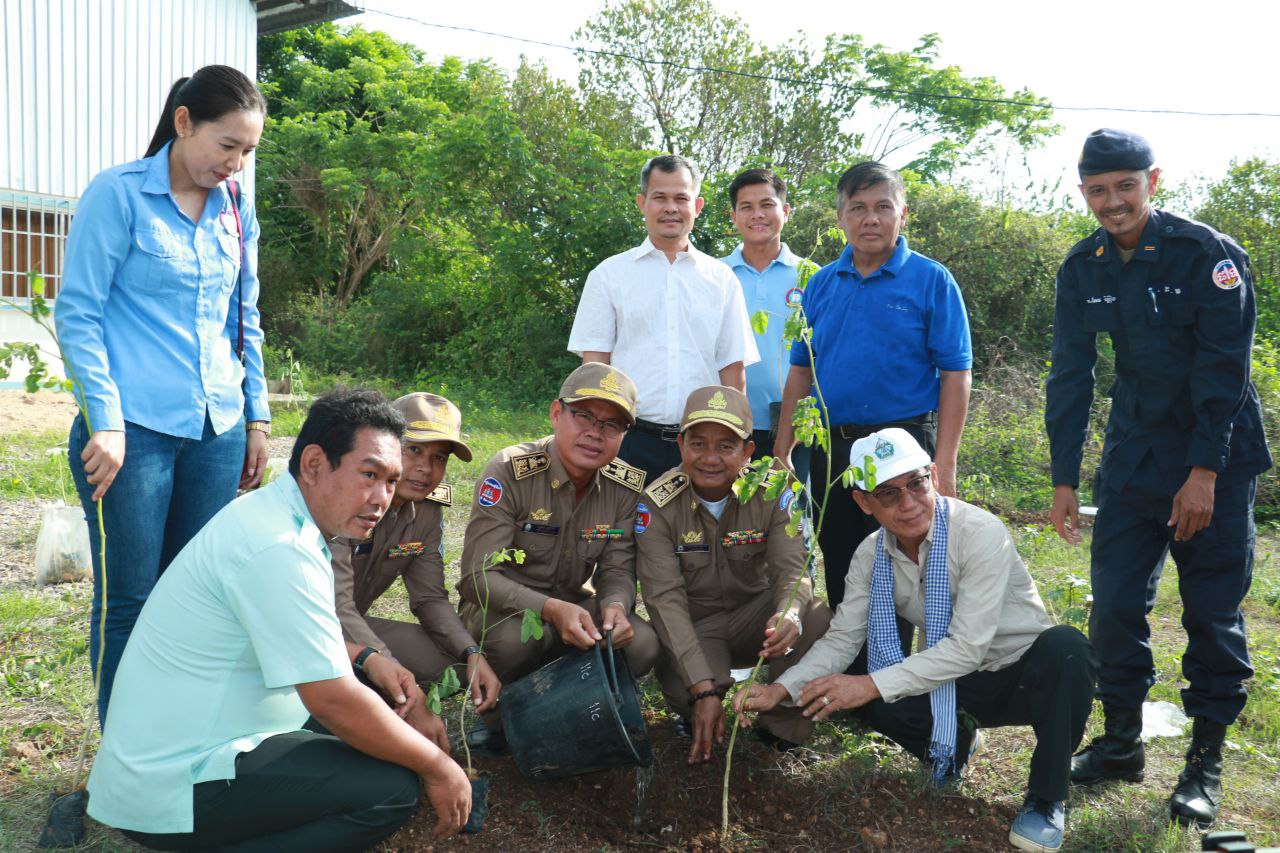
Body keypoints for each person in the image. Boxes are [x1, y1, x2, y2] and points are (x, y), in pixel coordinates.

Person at [86, 389, 472, 849]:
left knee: (376, 723)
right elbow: (333, 701)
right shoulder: (279, 548)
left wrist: (369, 660)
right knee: (389, 790)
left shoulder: (276, 516)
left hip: (175, 755)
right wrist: (439, 766)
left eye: (390, 481)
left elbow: (312, 643)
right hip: (172, 789)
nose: (381, 498)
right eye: (369, 474)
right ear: (313, 464)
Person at [1045, 129, 1271, 828]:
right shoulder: (1082, 268)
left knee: (1210, 611)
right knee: (1112, 603)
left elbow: (1224, 371)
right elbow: (1071, 375)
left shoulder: (1207, 256)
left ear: (1153, 180)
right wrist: (1062, 477)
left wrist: (1203, 472)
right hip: (1134, 459)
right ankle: (1121, 744)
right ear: (1083, 192)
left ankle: (1204, 759)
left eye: (1125, 186)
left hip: (1217, 459)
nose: (1113, 202)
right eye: (1098, 190)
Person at [735, 429, 1097, 853]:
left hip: (1022, 675)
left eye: (915, 484)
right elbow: (842, 639)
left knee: (1067, 648)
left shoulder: (979, 533)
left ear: (934, 478)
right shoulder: (871, 555)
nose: (907, 504)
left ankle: (1046, 798)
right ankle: (955, 742)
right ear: (863, 503)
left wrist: (869, 684)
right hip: (953, 683)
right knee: (860, 684)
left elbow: (968, 647)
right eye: (887, 493)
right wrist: (781, 689)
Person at [54, 65, 272, 724]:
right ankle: (122, 750)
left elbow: (247, 314)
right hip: (133, 435)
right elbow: (79, 314)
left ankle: (172, 737)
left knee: (193, 594)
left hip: (217, 430)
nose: (235, 163)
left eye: (248, 151)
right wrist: (107, 420)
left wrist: (256, 417)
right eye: (227, 145)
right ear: (184, 123)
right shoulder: (117, 196)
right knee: (132, 598)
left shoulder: (236, 207)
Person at [773, 161, 972, 611]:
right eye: (858, 208)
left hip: (904, 446)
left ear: (902, 214)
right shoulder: (820, 284)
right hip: (834, 450)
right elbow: (801, 372)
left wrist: (946, 463)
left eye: (883, 206)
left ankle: (906, 679)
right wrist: (783, 451)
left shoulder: (932, 280)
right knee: (845, 566)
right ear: (840, 217)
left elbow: (956, 375)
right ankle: (854, 676)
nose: (871, 219)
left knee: (913, 568)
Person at [458, 363, 660, 748]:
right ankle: (500, 718)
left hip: (575, 604)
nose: (594, 433)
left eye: (611, 425)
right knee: (516, 640)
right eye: (583, 415)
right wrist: (550, 609)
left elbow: (617, 567)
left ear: (623, 436)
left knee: (642, 642)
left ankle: (571, 709)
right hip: (504, 608)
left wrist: (616, 604)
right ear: (556, 413)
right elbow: (476, 577)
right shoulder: (509, 470)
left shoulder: (625, 486)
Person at [636, 385, 831, 765]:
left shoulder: (774, 490)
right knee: (685, 692)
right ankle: (703, 703)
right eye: (698, 444)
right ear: (681, 445)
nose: (710, 458)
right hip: (697, 626)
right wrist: (702, 687)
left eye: (725, 446)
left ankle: (780, 728)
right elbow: (664, 601)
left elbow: (793, 567)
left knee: (815, 615)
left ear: (747, 451)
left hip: (757, 620)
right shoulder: (655, 504)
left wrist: (788, 612)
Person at [568, 153, 759, 482]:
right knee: (621, 532)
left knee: (699, 533)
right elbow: (594, 369)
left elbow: (733, 371)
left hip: (704, 447)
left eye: (680, 198)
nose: (671, 208)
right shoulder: (609, 275)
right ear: (642, 203)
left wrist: (737, 443)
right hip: (628, 441)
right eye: (660, 197)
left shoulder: (722, 279)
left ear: (697, 206)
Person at [330, 392, 500, 713]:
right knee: (373, 680)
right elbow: (336, 604)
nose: (425, 468)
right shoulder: (346, 496)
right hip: (306, 628)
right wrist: (387, 663)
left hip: (354, 627)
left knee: (454, 669)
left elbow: (429, 598)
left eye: (439, 458)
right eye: (414, 451)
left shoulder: (426, 509)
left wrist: (471, 652)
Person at [721, 167, 810, 486]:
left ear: (785, 211)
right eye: (746, 207)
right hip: (724, 424)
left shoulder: (812, 276)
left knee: (792, 525)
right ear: (734, 216)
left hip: (797, 430)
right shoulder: (714, 275)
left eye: (767, 204)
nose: (757, 214)